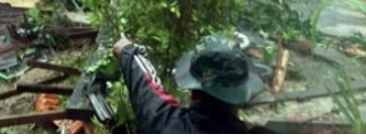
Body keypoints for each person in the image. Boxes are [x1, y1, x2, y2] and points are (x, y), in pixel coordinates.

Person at [113, 34, 270, 133]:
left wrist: (128, 50)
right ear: (241, 94)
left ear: (193, 90)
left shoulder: (162, 124)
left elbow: (146, 86)